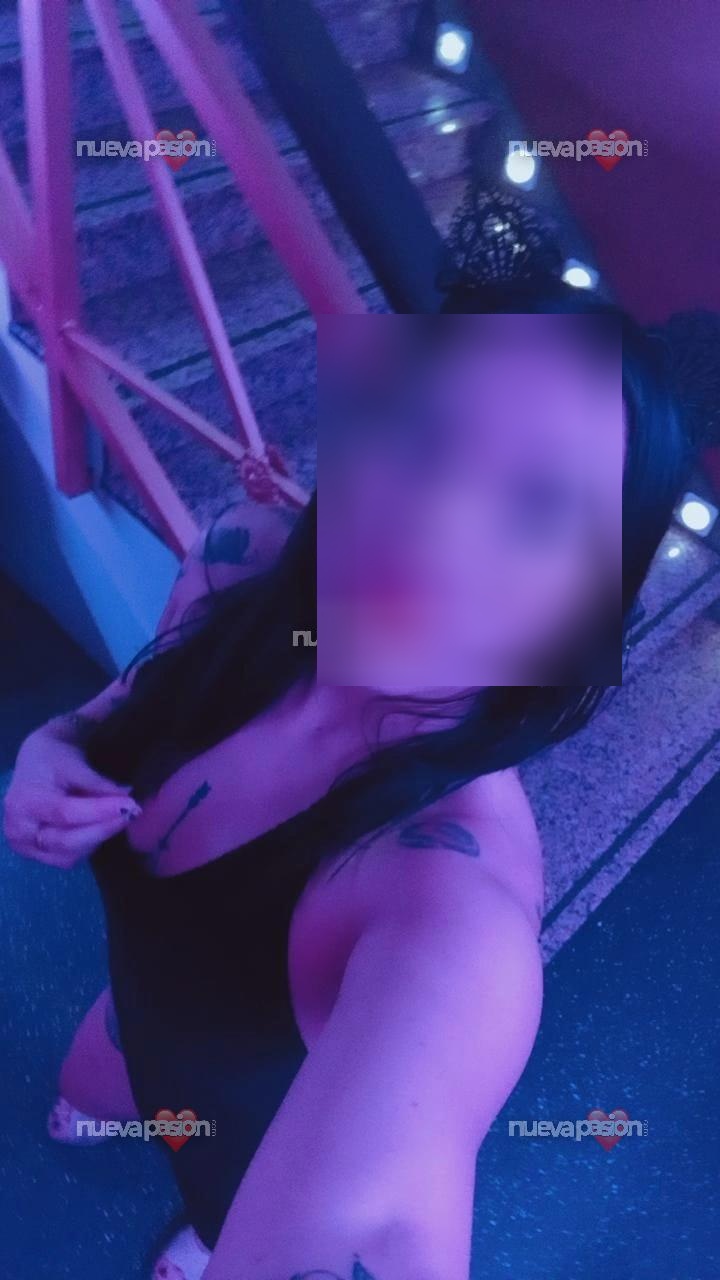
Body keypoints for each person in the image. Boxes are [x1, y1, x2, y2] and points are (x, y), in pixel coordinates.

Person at [3, 264, 693, 1280]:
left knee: (220, 1198)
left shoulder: (448, 904)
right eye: (428, 437)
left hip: (249, 1131)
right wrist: (50, 746)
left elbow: (401, 1196)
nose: (437, 520)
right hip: (137, 1003)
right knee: (89, 1093)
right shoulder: (238, 561)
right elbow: (126, 703)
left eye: (539, 505)